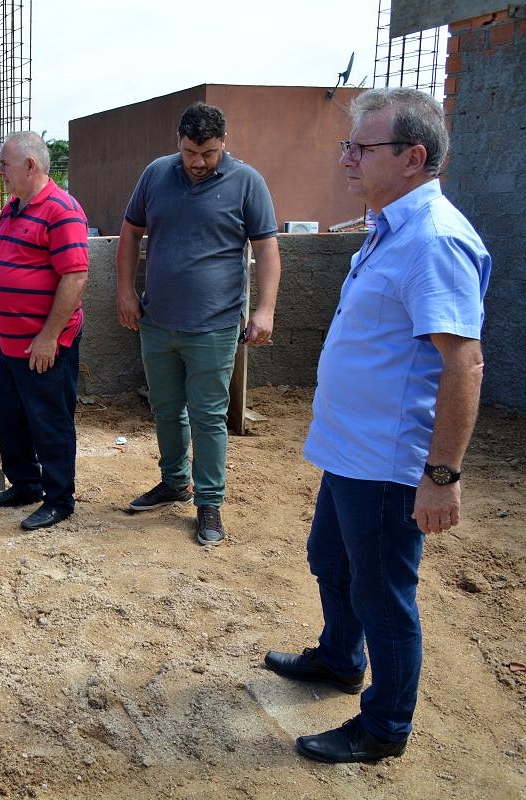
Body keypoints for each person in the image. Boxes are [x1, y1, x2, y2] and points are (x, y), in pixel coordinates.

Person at [264, 88, 490, 764]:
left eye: (362, 149)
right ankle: (339, 657)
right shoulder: (391, 226)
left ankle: (385, 728)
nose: (347, 161)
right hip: (351, 451)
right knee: (330, 560)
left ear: (414, 156)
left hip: (392, 463)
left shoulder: (434, 240)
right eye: (349, 146)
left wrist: (441, 477)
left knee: (385, 597)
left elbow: (465, 365)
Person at [115, 102, 281, 546]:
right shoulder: (156, 174)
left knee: (208, 416)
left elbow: (267, 249)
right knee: (166, 408)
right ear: (179, 142)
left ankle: (209, 501)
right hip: (158, 321)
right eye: (190, 151)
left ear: (223, 143)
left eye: (207, 153)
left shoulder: (247, 182)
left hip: (215, 325)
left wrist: (265, 310)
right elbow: (130, 231)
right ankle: (174, 482)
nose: (197, 162)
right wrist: (127, 291)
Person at [0, 132, 89, 530]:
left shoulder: (62, 210)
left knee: (49, 420)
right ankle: (26, 484)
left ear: (30, 165)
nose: (0, 172)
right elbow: (5, 264)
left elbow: (75, 276)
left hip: (44, 344)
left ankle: (59, 498)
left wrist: (48, 336)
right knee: (9, 416)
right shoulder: (13, 208)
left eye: (5, 164)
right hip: (10, 341)